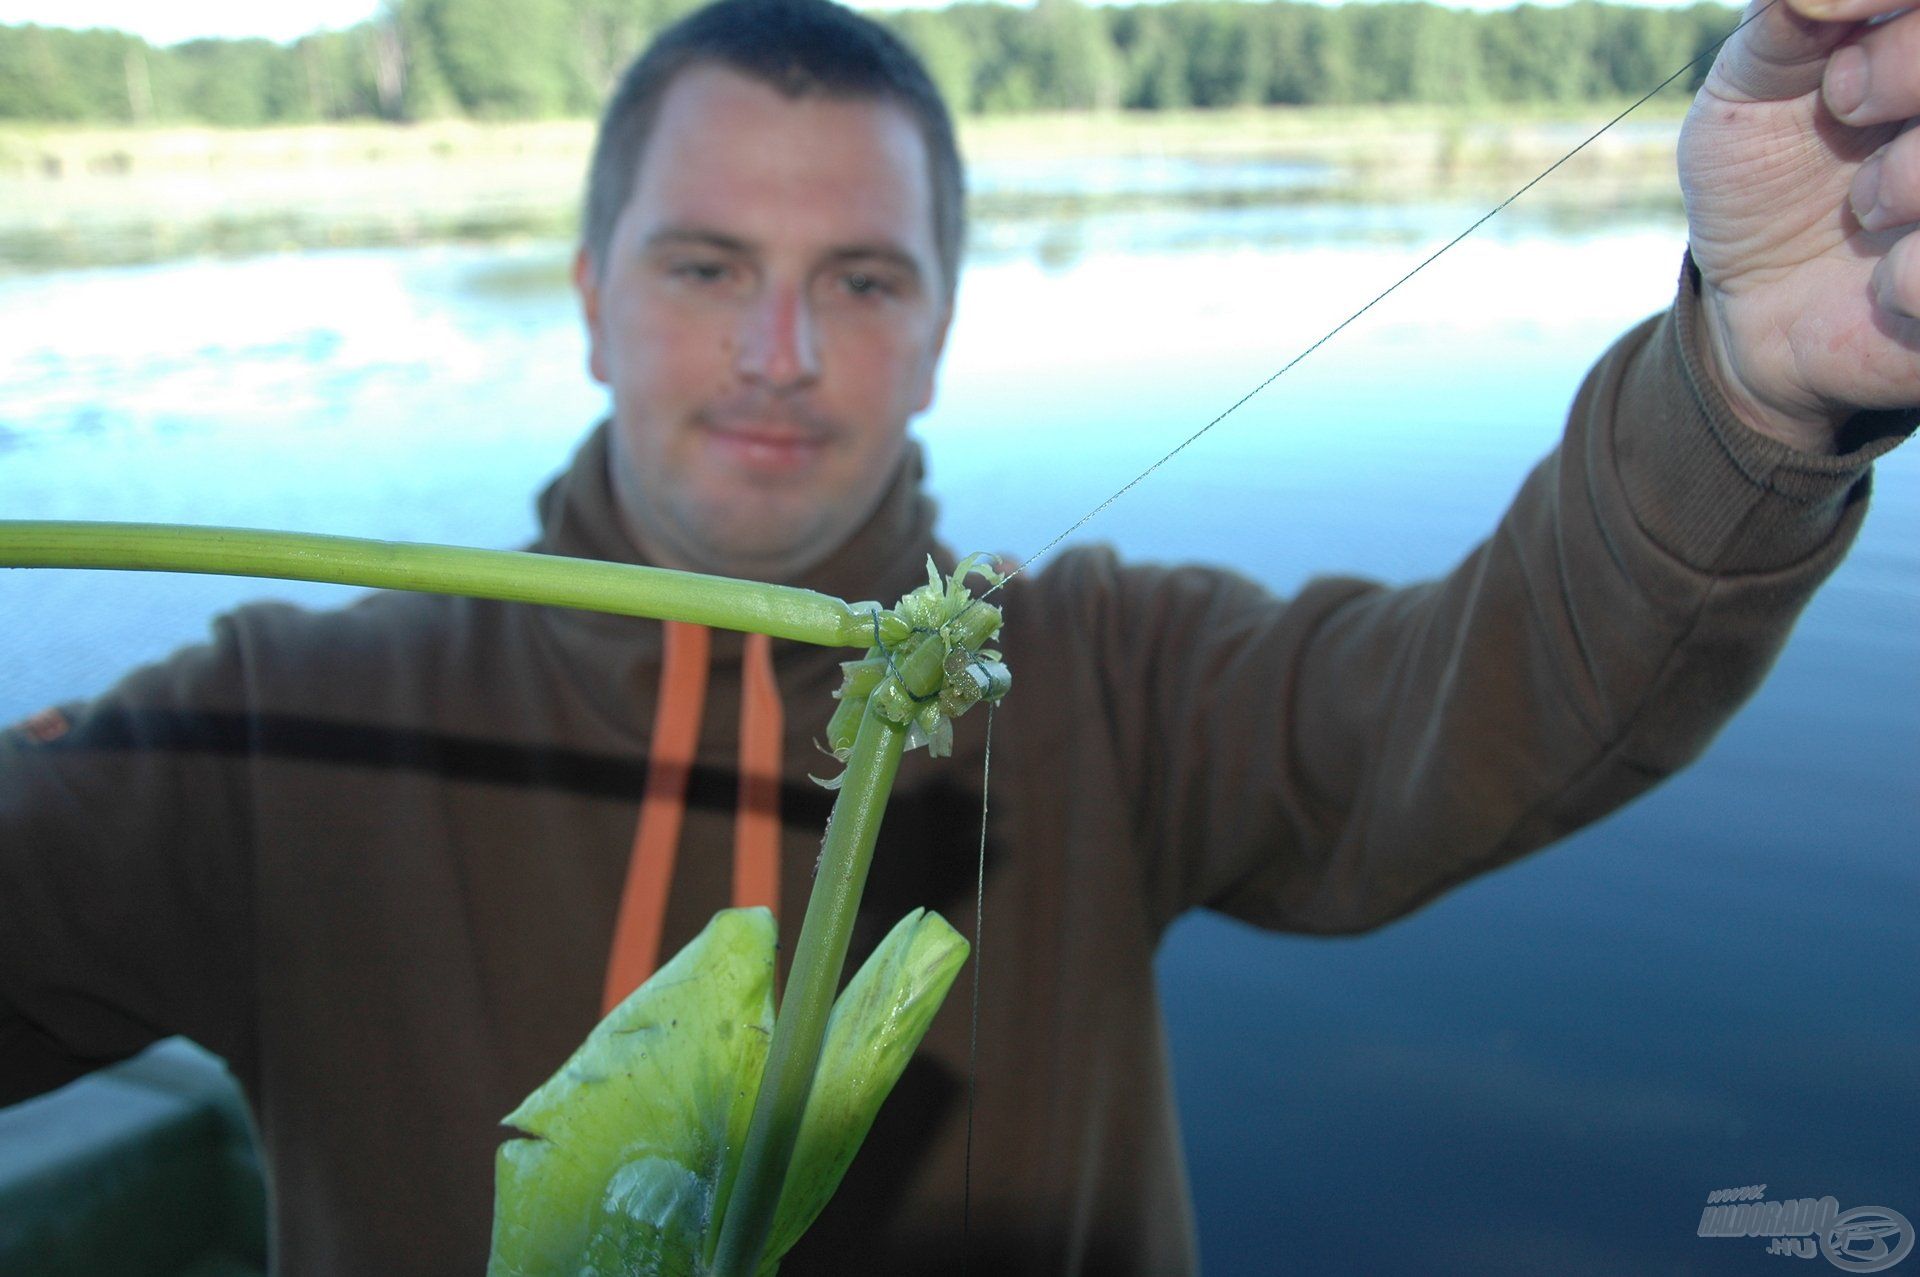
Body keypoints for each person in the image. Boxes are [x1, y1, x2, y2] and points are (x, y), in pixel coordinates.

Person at [2, 0, 1914, 1272]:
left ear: (937, 325)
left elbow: (1463, 700)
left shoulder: (1108, 675)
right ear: (589, 296)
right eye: (703, 268)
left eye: (858, 277)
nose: (779, 352)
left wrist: (1750, 394)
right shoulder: (276, 721)